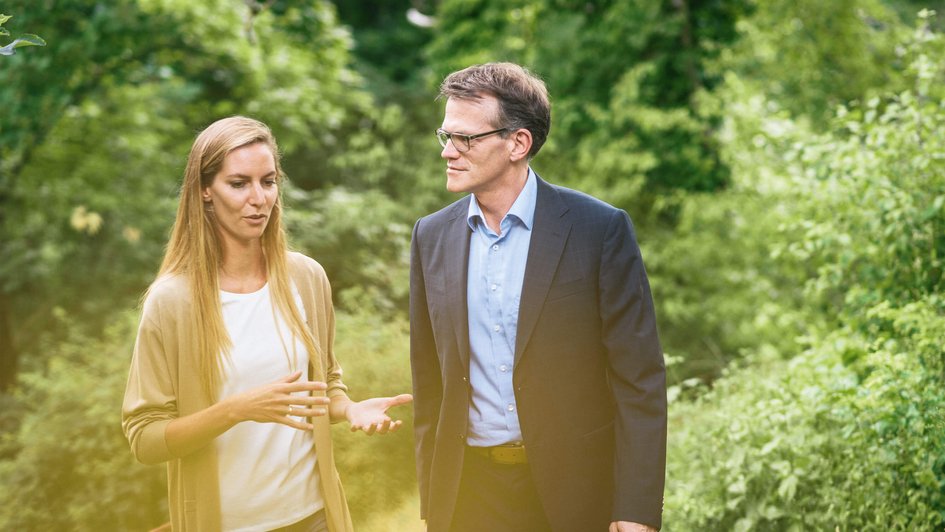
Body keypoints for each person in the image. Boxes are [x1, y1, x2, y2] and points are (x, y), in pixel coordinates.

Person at [409, 62, 667, 532]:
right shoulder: (431, 235)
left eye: (465, 139)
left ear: (518, 143)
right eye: (445, 136)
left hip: (575, 493)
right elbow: (430, 382)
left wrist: (636, 507)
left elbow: (639, 381)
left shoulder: (599, 230)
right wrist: (435, 505)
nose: (448, 151)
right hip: (468, 496)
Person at [122, 116, 412, 532]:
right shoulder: (172, 302)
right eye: (239, 184)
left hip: (315, 518)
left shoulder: (307, 278)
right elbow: (145, 440)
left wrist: (348, 408)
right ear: (205, 191)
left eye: (268, 181)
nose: (258, 198)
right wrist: (236, 410)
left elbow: (323, 385)